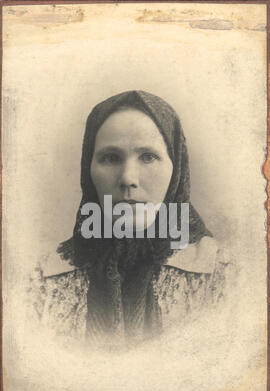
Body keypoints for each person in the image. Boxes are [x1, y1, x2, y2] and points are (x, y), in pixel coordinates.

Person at [30, 90, 229, 351]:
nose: (128, 178)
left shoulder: (222, 276)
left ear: (176, 169)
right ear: (88, 170)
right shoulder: (40, 283)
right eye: (110, 158)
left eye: (148, 157)